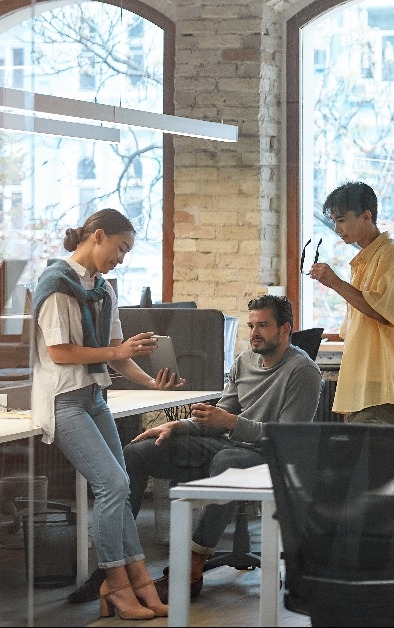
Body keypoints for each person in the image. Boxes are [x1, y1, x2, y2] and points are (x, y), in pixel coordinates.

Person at [30, 208, 184, 619]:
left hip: (94, 397)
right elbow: (60, 353)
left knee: (121, 484)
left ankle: (141, 584)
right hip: (63, 400)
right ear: (97, 236)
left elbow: (116, 355)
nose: (122, 258)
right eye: (120, 248)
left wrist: (151, 383)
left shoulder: (102, 289)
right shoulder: (57, 285)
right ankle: (116, 585)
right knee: (113, 484)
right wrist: (116, 352)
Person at [123, 294, 321, 599]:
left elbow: (288, 437)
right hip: (226, 445)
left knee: (227, 462)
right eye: (252, 325)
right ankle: (123, 564)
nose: (254, 332)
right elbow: (217, 418)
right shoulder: (244, 361)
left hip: (271, 456)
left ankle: (191, 566)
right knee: (137, 452)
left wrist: (229, 423)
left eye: (263, 325)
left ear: (285, 329)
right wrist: (178, 426)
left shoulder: (303, 371)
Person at [308, 181, 394, 424]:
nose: (337, 228)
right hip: (363, 381)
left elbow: (384, 312)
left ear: (367, 216)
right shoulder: (364, 260)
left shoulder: (393, 255)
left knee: (371, 458)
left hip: (384, 382)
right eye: (334, 221)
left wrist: (335, 283)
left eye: (341, 219)